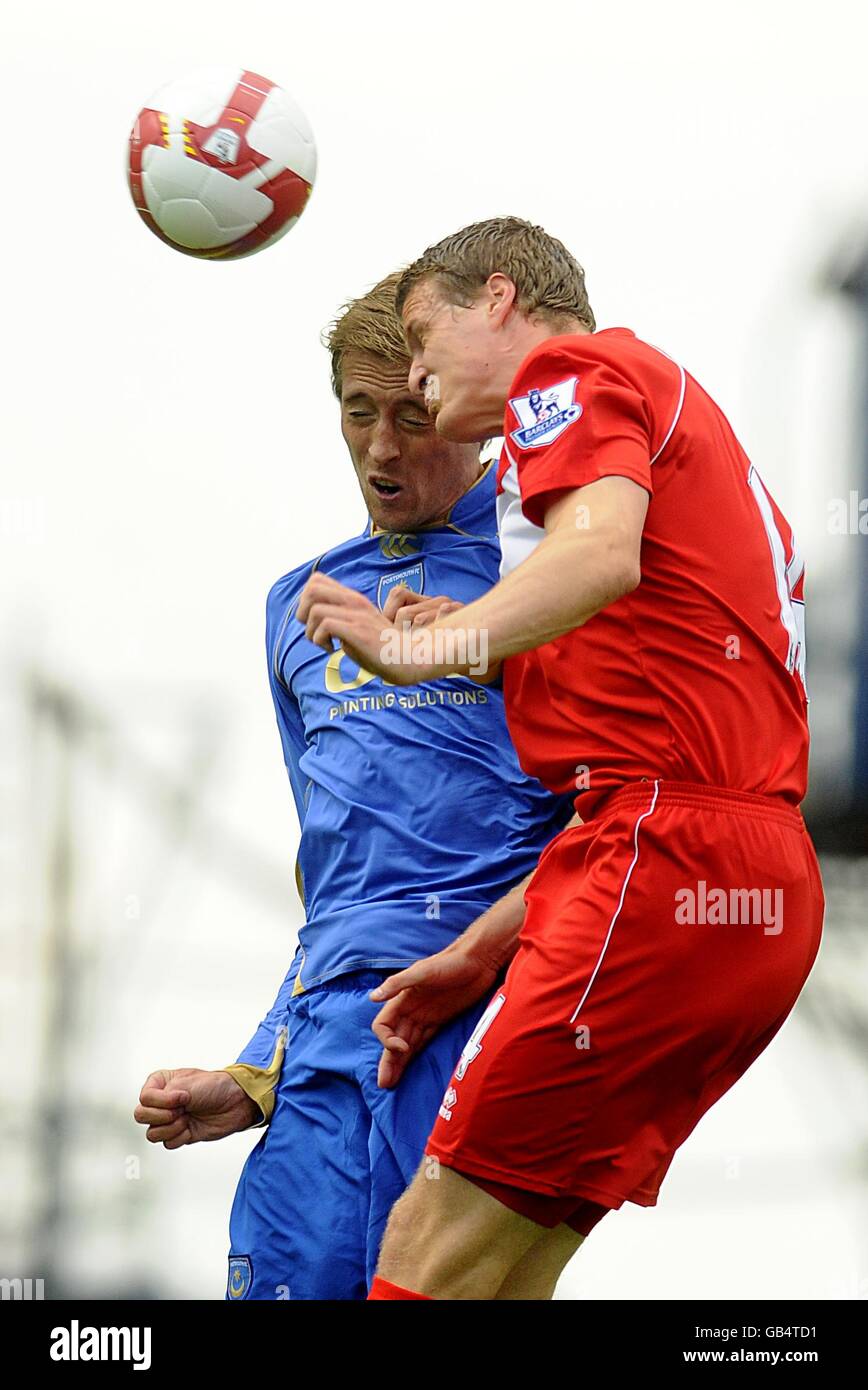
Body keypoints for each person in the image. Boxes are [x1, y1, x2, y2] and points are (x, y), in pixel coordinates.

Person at [296, 217, 825, 1301]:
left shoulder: (572, 370)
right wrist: (482, 949)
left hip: (664, 860)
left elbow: (601, 555)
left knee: (425, 1252)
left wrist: (423, 643)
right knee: (502, 1273)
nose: (417, 361)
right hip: (746, 892)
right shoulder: (699, 448)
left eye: (422, 326)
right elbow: (645, 690)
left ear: (498, 298)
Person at [133, 270, 572, 1300]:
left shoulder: (546, 570)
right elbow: (336, 885)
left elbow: (603, 814)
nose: (381, 446)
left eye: (411, 415)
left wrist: (478, 958)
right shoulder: (299, 605)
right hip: (330, 1041)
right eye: (357, 411)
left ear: (467, 412)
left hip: (481, 1009)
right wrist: (256, 1071)